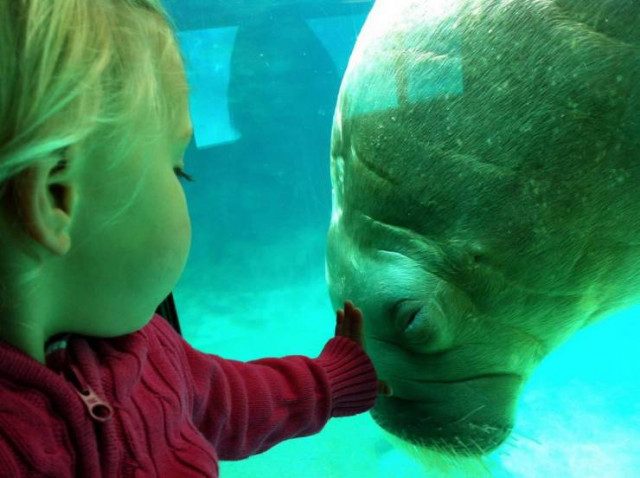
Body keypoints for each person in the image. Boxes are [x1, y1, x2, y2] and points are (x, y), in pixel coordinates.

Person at [0, 1, 390, 476]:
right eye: (177, 169)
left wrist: (329, 379)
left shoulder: (146, 351)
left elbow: (233, 400)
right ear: (56, 198)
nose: (185, 185)